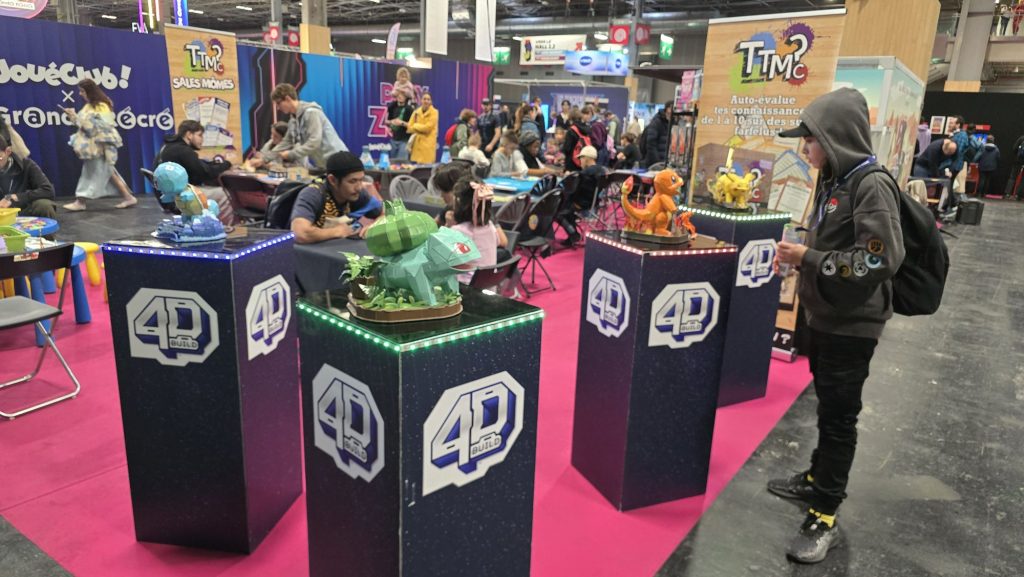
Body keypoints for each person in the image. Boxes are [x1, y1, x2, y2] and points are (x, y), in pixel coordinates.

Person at [771, 87, 905, 564]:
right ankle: (816, 477)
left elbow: (880, 258)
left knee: (839, 418)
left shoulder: (871, 185)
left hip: (852, 325)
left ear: (833, 137)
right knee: (828, 408)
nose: (805, 147)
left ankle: (824, 511)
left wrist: (808, 257)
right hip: (826, 316)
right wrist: (800, 258)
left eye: (810, 139)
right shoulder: (835, 179)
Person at [62, 78, 136, 211]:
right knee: (109, 172)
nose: (80, 94)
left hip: (101, 147)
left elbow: (100, 127)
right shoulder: (89, 106)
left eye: (82, 91)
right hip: (94, 147)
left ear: (89, 91)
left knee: (89, 172)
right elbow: (84, 125)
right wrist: (73, 116)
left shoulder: (102, 106)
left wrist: (76, 117)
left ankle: (80, 201)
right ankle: (128, 197)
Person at [290, 151, 383, 244]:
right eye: (352, 181)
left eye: (361, 180)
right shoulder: (312, 194)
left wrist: (376, 226)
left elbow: (386, 213)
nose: (359, 187)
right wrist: (336, 231)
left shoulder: (357, 194)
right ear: (332, 180)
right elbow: (300, 234)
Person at [156, 120, 235, 224]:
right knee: (225, 194)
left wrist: (215, 164)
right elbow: (206, 173)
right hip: (179, 199)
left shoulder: (168, 147)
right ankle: (226, 228)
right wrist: (227, 164)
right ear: (189, 135)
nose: (202, 140)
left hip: (169, 198)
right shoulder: (183, 150)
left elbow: (199, 165)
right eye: (200, 135)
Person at [254, 83, 346, 169]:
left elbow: (314, 142)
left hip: (340, 162)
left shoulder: (311, 113)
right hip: (324, 164)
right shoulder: (293, 121)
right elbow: (285, 143)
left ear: (288, 99)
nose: (278, 108)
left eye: (278, 103)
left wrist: (291, 154)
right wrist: (263, 160)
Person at [448, 176, 509, 283]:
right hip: (488, 286)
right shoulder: (490, 226)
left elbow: (446, 261)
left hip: (464, 288)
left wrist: (448, 227)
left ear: (459, 203)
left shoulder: (458, 231)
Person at [0, 135, 56, 219]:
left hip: (22, 212)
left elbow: (48, 191)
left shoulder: (26, 165)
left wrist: (18, 197)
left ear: (8, 151)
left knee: (44, 205)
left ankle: (47, 228)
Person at [558, 145, 604, 246]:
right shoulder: (602, 170)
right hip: (594, 203)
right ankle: (573, 233)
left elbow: (572, 188)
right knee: (566, 206)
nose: (580, 161)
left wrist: (568, 176)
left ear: (586, 158)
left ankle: (573, 234)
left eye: (581, 158)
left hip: (582, 204)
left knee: (557, 210)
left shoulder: (585, 173)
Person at [430, 162, 474, 227]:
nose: (441, 195)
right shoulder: (449, 209)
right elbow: (433, 225)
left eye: (445, 191)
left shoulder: (475, 215)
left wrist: (449, 226)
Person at [407, 92, 439, 164]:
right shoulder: (416, 112)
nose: (426, 101)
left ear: (431, 101)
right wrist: (420, 128)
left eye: (428, 99)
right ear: (421, 100)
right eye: (424, 99)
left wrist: (415, 125)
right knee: (416, 168)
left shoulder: (435, 112)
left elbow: (427, 128)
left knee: (427, 168)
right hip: (416, 147)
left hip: (428, 147)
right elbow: (409, 128)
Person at [387, 90, 416, 161]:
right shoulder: (393, 107)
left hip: (404, 140)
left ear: (406, 97)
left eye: (402, 95)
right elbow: (386, 121)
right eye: (398, 95)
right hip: (394, 140)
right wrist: (391, 122)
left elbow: (413, 126)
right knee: (393, 164)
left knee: (402, 163)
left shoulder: (409, 109)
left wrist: (402, 123)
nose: (400, 96)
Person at [643, 102, 672, 168]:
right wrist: (657, 162)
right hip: (655, 164)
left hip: (665, 163)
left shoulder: (671, 122)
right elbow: (650, 144)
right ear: (667, 109)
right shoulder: (657, 122)